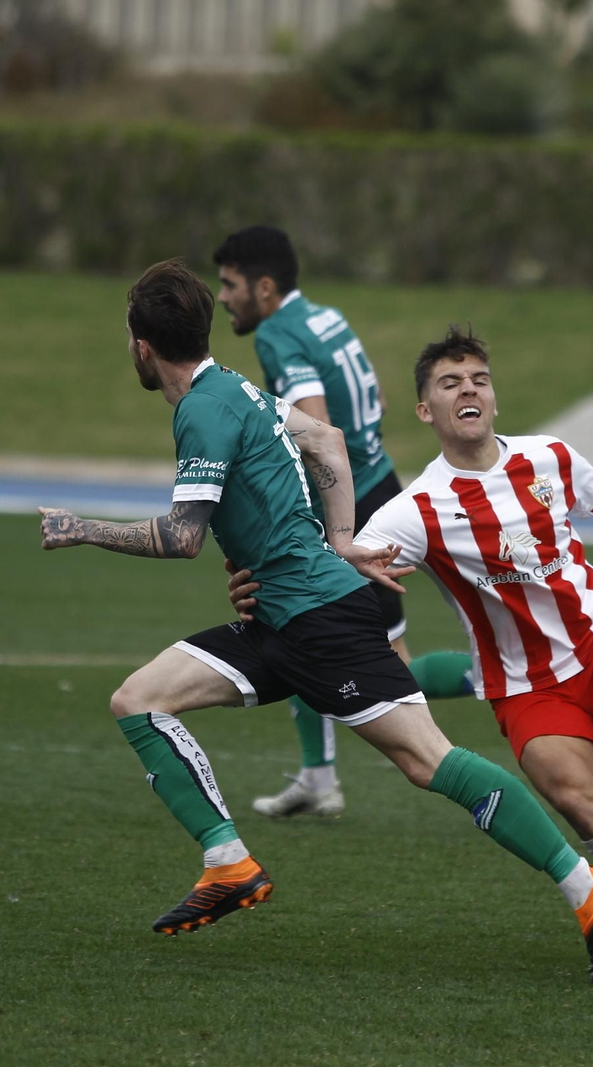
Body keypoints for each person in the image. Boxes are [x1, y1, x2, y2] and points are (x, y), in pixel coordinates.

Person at [36, 262, 593, 985]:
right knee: (139, 699)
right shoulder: (235, 384)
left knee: (427, 760)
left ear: (141, 346)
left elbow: (184, 534)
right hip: (279, 618)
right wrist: (339, 539)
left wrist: (81, 527)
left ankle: (588, 884)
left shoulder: (200, 408)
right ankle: (228, 860)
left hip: (319, 619)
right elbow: (325, 440)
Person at [227, 325, 593, 978]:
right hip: (523, 686)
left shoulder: (551, 458)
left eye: (479, 379)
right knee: (578, 798)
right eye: (450, 382)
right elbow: (335, 568)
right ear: (426, 410)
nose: (469, 389)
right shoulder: (418, 509)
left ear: (493, 398)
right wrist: (262, 584)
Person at [213, 225, 472, 820]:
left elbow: (316, 423)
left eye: (230, 285)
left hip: (347, 504)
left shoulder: (279, 334)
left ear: (265, 286)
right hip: (378, 484)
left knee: (373, 663)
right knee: (298, 633)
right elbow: (368, 400)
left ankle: (520, 673)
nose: (223, 297)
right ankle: (318, 776)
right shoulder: (326, 317)